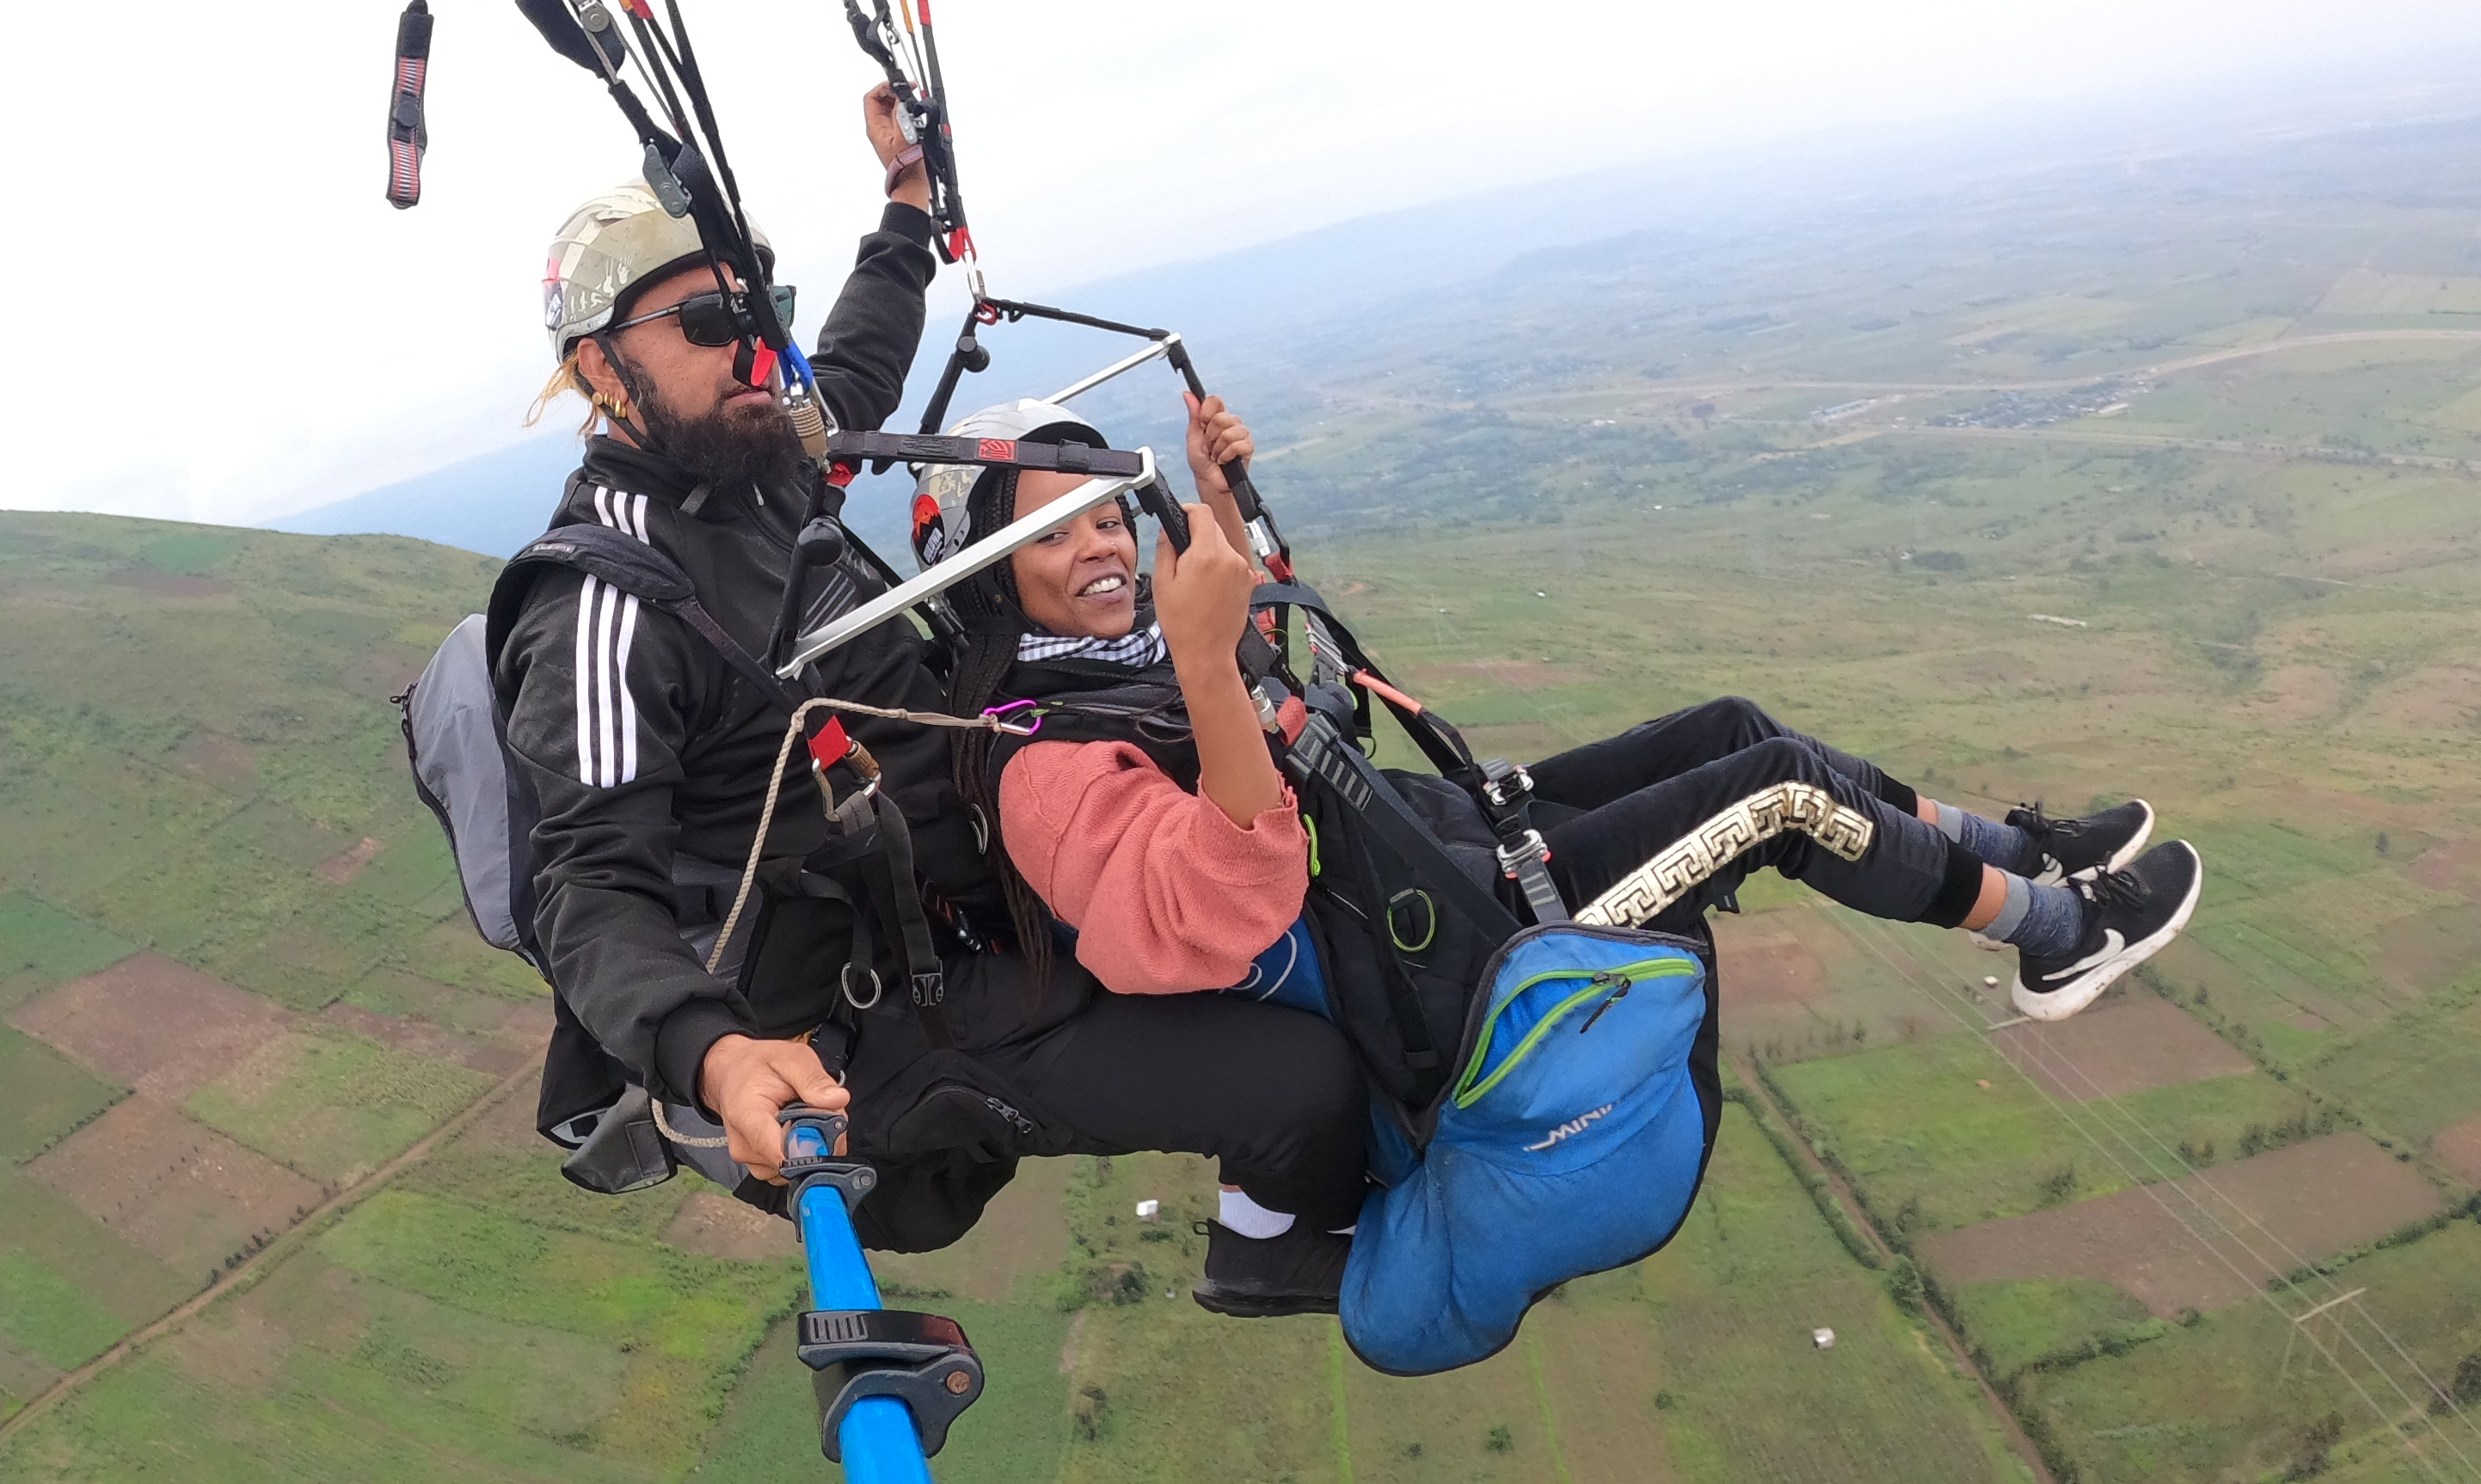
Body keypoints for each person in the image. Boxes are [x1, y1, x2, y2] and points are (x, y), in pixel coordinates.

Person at [492, 95, 1369, 1313]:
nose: (757, 352)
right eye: (708, 320)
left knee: (1334, 903)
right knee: (1299, 1077)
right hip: (880, 1018)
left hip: (973, 897)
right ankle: (1273, 1253)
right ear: (600, 366)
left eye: (762, 313)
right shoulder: (606, 600)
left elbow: (854, 358)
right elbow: (586, 886)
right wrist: (717, 1054)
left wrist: (908, 200)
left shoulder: (754, 462)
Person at [939, 393, 2205, 1033]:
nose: (1102, 544)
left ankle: (2024, 851)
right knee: (1777, 794)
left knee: (1729, 725)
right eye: (1056, 529)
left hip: (1451, 842)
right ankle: (2055, 931)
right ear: (991, 571)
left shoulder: (1141, 653)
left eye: (1109, 513)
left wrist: (1214, 493)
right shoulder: (1035, 756)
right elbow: (1213, 913)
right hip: (1459, 946)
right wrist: (1212, 673)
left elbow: (1277, 663)